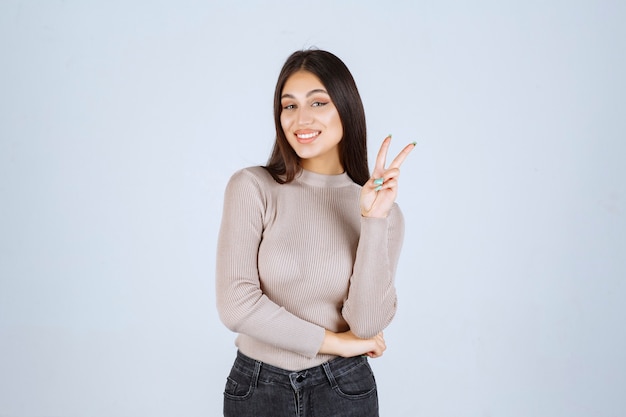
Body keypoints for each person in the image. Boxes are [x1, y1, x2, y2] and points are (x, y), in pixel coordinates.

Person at [215, 49, 415, 417]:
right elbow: (236, 305)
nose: (300, 119)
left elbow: (367, 324)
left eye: (318, 102)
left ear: (346, 109)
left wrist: (372, 221)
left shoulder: (385, 213)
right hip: (257, 387)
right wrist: (336, 343)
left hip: (343, 388)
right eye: (289, 106)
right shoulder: (253, 187)